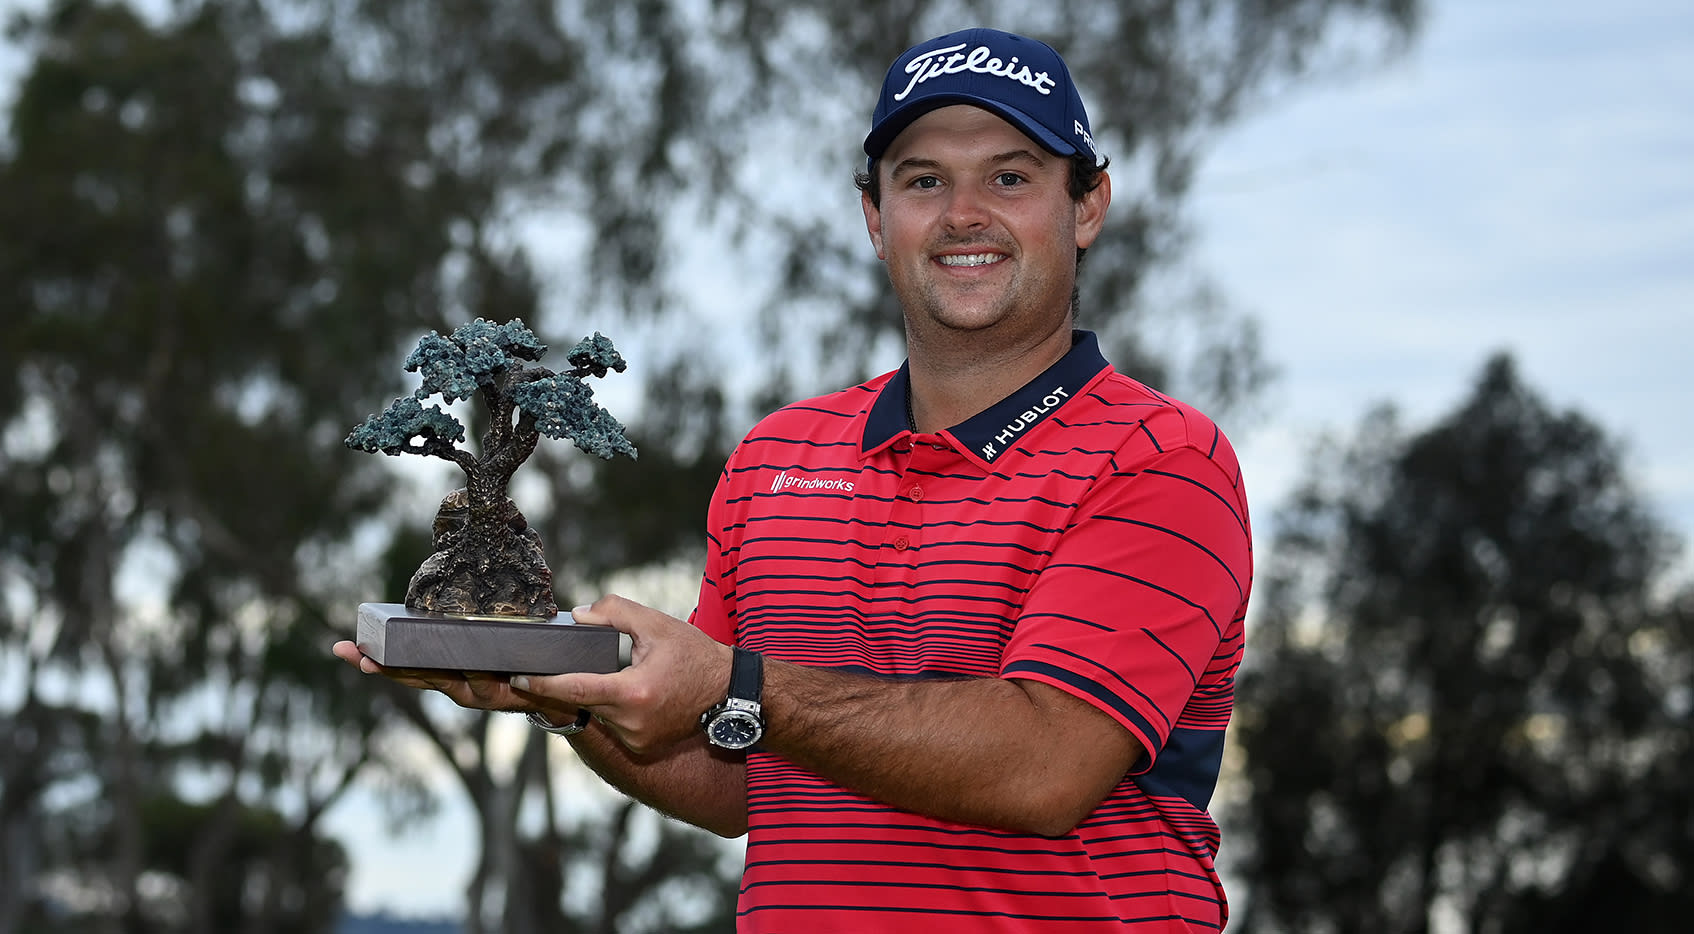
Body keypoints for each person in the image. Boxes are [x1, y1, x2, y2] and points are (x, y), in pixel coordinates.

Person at [335, 26, 1251, 932]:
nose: (964, 212)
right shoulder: (777, 457)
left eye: (1010, 177)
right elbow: (733, 776)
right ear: (874, 217)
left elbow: (1047, 766)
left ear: (1087, 206)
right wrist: (559, 698)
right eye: (923, 180)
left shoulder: (1161, 458)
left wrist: (739, 686)